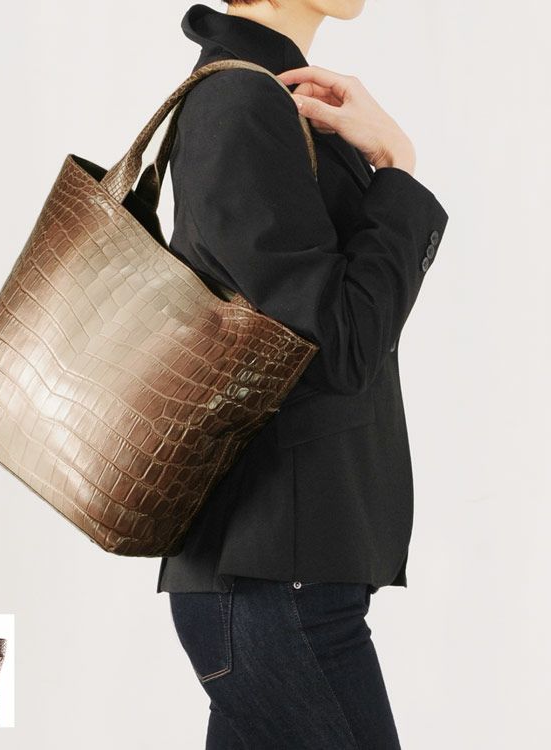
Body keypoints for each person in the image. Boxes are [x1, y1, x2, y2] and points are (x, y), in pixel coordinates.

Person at [158, 2, 449, 748]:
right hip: (275, 583)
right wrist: (396, 169)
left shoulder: (265, 94)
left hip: (280, 576)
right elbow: (340, 345)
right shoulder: (241, 102)